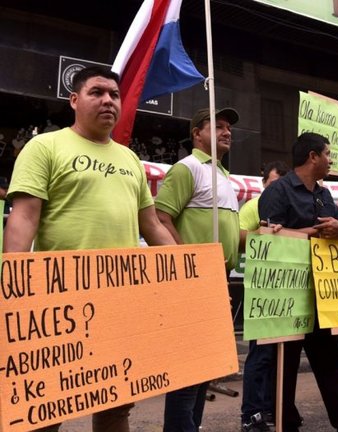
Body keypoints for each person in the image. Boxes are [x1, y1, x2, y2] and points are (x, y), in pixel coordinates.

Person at [3, 65, 176, 432]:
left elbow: (153, 226)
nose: (108, 100)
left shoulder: (130, 159)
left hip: (121, 303)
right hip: (57, 301)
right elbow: (24, 218)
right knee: (46, 408)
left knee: (117, 405)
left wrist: (192, 276)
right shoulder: (45, 146)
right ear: (74, 100)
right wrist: (12, 287)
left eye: (114, 94)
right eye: (97, 92)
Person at [258, 132, 338, 432]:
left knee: (333, 364)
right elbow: (269, 240)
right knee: (284, 368)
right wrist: (314, 233)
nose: (332, 160)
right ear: (313, 156)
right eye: (328, 154)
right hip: (287, 297)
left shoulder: (324, 195)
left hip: (323, 296)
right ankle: (285, 424)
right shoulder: (277, 192)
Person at [154, 107, 241, 432]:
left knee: (206, 366)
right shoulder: (186, 168)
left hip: (219, 279)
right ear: (197, 134)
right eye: (217, 126)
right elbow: (161, 219)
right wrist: (192, 265)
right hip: (193, 281)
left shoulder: (223, 175)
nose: (226, 131)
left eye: (228, 127)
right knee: (190, 368)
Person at [239, 160, 288, 431]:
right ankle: (252, 414)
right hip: (260, 290)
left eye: (281, 185)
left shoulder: (290, 206)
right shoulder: (252, 207)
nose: (276, 190)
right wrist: (262, 234)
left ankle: (275, 407)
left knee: (280, 355)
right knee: (261, 355)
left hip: (287, 290)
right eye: (272, 185)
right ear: (263, 185)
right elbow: (235, 237)